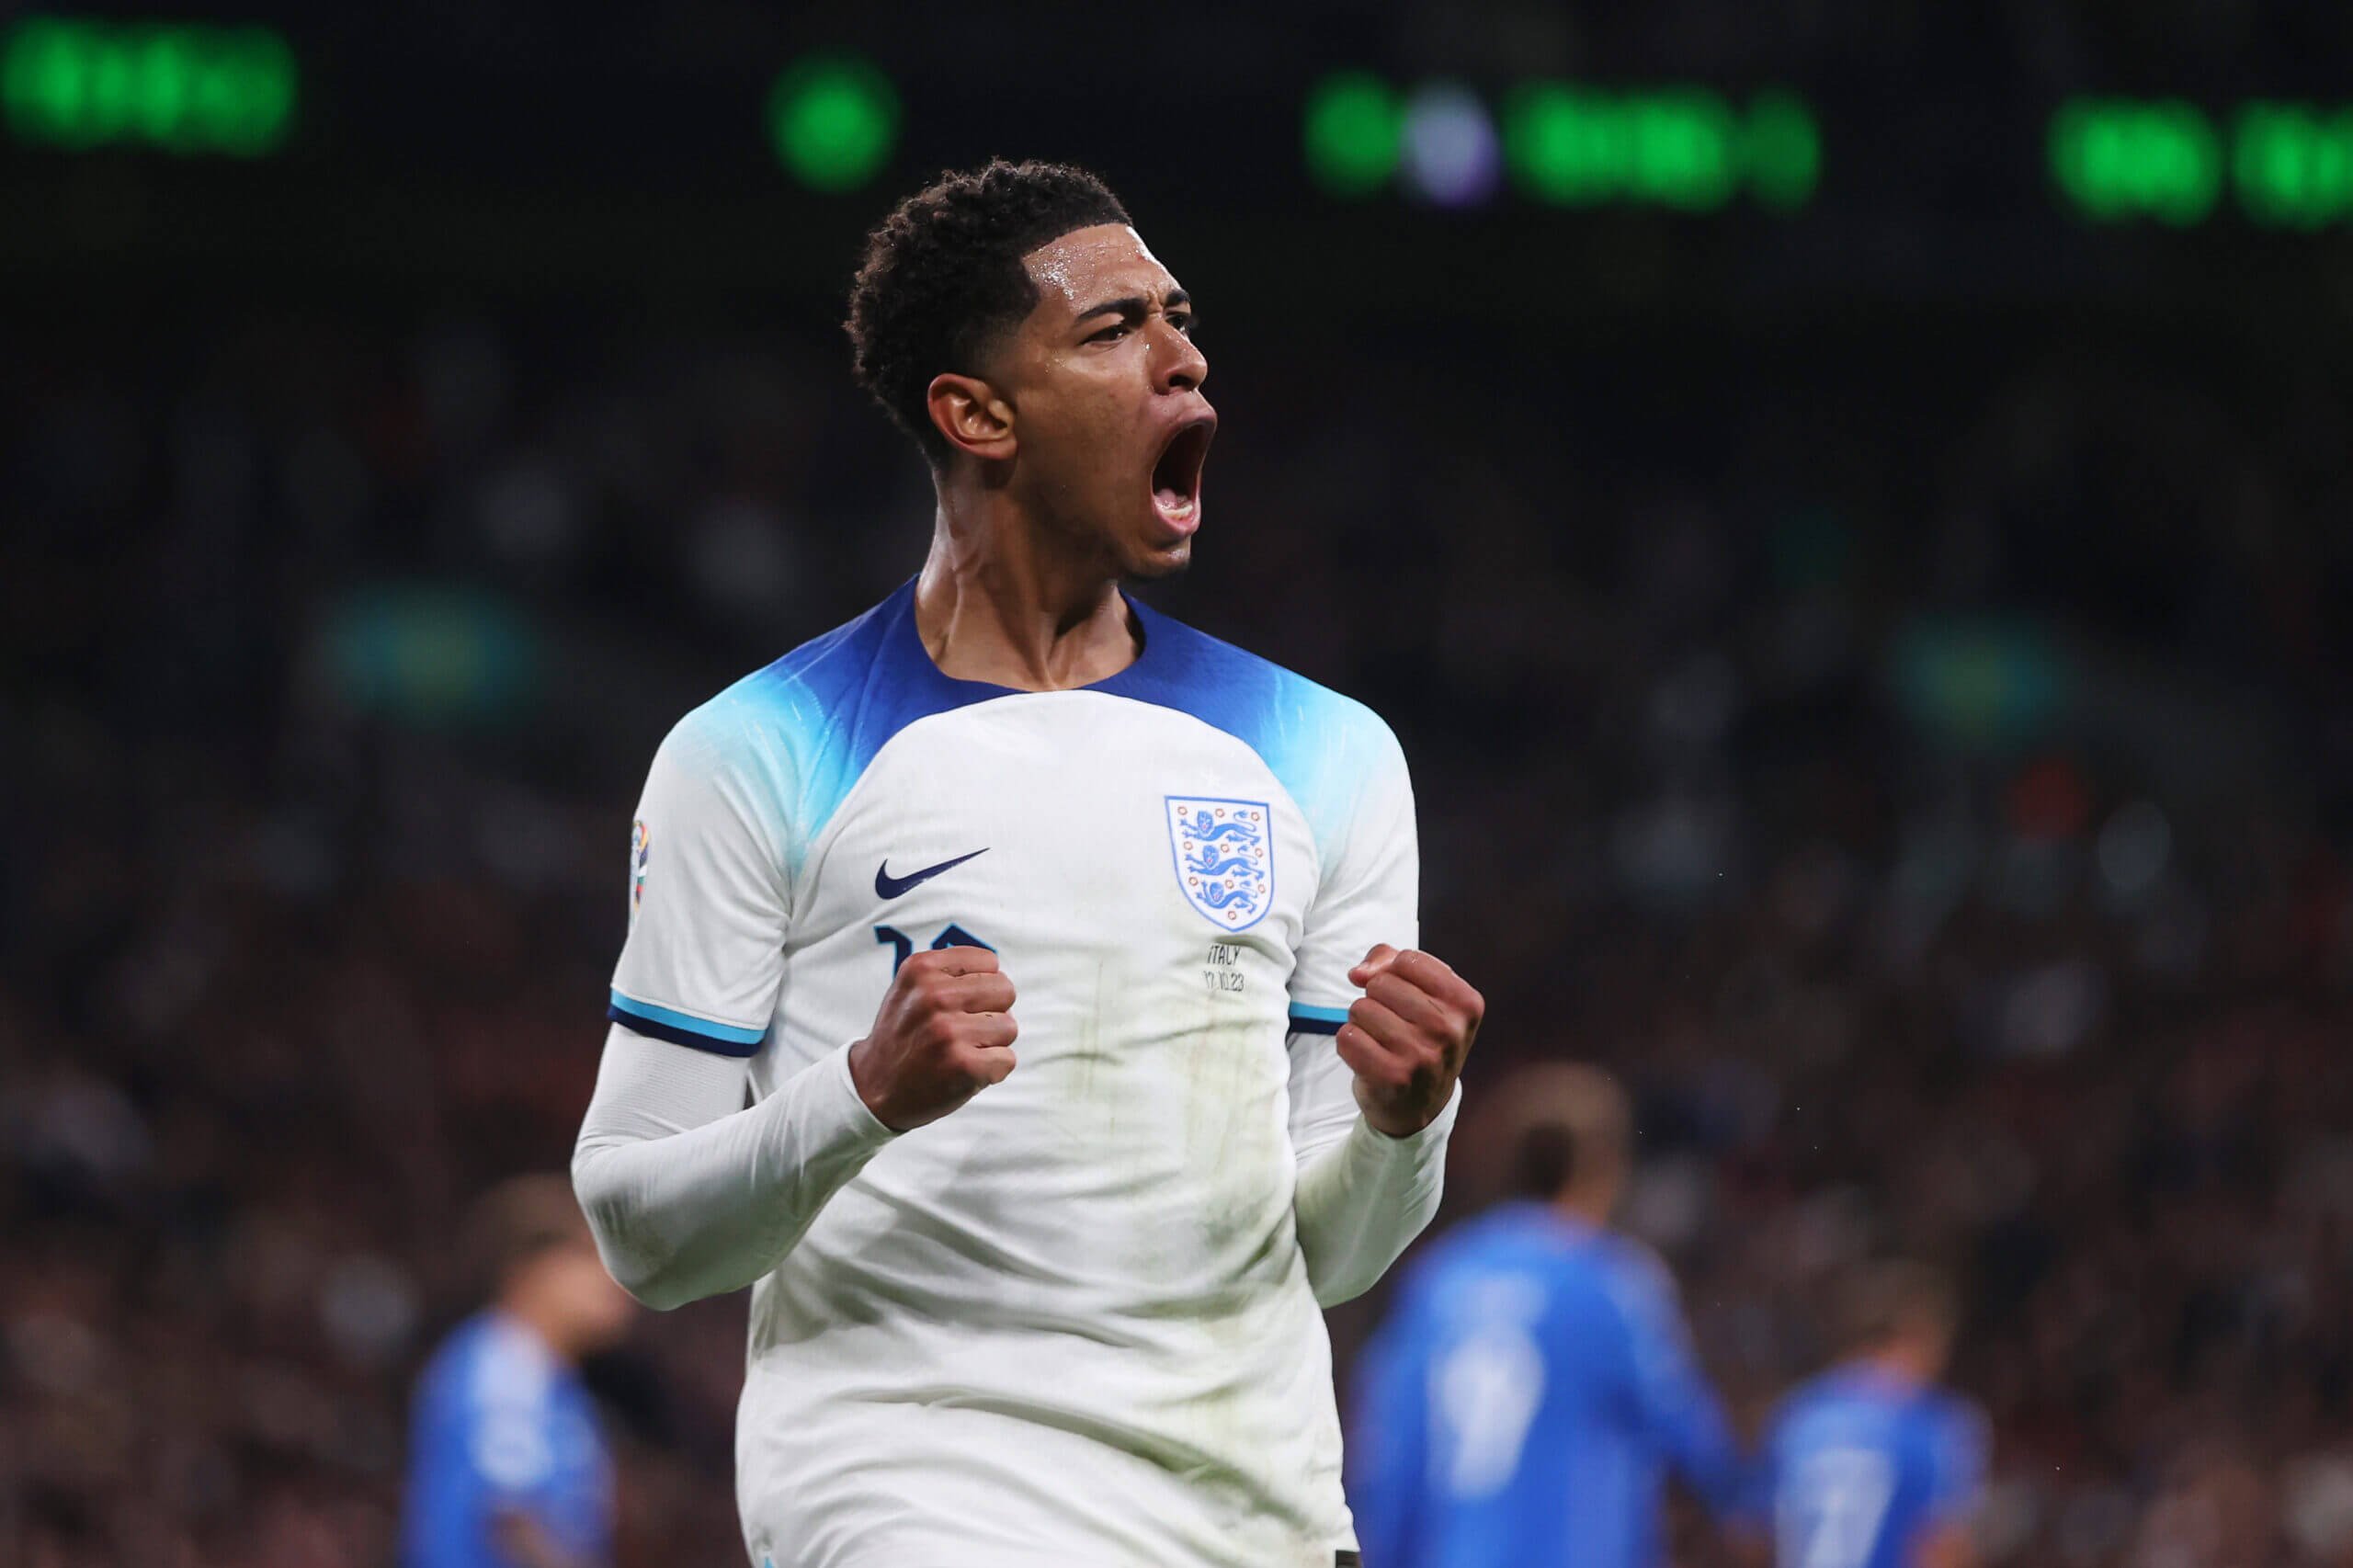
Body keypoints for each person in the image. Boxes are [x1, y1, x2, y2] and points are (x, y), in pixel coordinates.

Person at [568, 159, 1484, 1568]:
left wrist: (1399, 1130)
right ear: (977, 413)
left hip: (1255, 1520)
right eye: (1115, 328)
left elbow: (1331, 1253)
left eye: (1182, 320)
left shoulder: (1327, 752)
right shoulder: (760, 750)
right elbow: (643, 1230)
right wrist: (862, 1095)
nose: (1185, 358)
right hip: (921, 1503)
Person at [1346, 1063, 1745, 1566]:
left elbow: (1387, 1455)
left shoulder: (1437, 1283)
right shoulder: (1611, 1282)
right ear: (1601, 1168)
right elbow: (1698, 1443)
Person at [402, 1176, 636, 1568]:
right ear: (528, 1270)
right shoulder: (502, 1364)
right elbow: (512, 1520)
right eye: (590, 1256)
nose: (616, 1279)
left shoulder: (554, 1383)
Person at [1759, 1263, 1986, 1568]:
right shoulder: (1929, 1425)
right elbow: (1942, 1550)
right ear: (1918, 1335)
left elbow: (1754, 1537)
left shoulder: (1797, 1417)